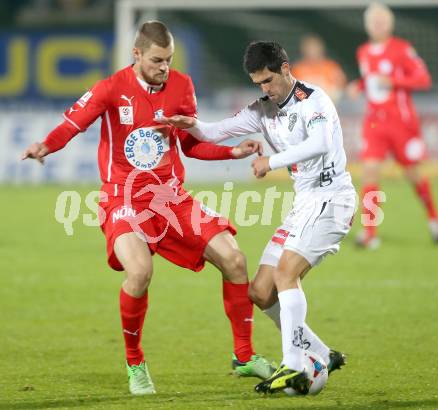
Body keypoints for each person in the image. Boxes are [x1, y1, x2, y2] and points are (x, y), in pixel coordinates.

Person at [21, 21, 275, 396]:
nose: (164, 67)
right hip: (122, 198)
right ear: (136, 54)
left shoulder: (181, 86)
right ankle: (135, 362)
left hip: (170, 197)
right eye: (157, 60)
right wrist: (45, 146)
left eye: (169, 60)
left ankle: (244, 355)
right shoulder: (111, 88)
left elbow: (190, 144)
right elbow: (72, 124)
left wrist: (232, 151)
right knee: (139, 272)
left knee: (235, 260)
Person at [159, 41, 356, 395]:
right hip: (304, 204)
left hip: (333, 199)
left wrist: (272, 162)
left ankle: (294, 366)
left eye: (267, 80)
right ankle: (322, 354)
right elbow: (215, 132)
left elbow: (321, 143)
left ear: (284, 68)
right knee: (261, 292)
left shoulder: (314, 100)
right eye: (257, 84)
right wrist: (191, 124)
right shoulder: (261, 109)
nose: (264, 89)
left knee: (286, 274)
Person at [347, 2, 438, 249]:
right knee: (369, 172)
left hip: (402, 123)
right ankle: (370, 233)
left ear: (389, 23)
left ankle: (434, 220)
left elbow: (423, 78)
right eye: (374, 22)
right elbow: (372, 80)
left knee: (413, 174)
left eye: (382, 21)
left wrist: (394, 81)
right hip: (375, 124)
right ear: (368, 25)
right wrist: (359, 86)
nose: (378, 25)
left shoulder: (402, 49)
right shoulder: (363, 51)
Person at [291, 34, 346, 104]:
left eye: (314, 48)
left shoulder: (331, 66)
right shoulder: (297, 69)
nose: (312, 52)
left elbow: (341, 87)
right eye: (309, 48)